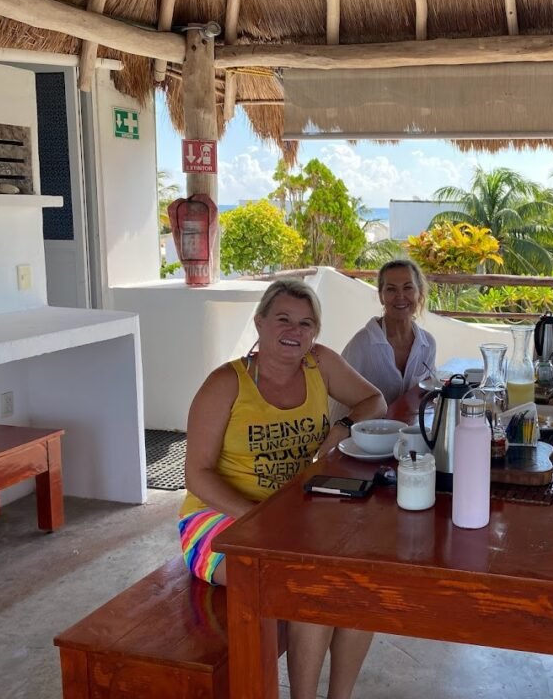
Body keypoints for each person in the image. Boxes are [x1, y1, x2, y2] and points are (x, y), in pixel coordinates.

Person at [179, 278, 387, 699]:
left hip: (291, 514)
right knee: (307, 585)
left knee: (363, 579)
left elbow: (374, 401)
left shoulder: (319, 364)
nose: (295, 331)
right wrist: (258, 517)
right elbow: (196, 475)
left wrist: (342, 426)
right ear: (259, 322)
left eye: (307, 323)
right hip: (218, 520)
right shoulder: (226, 384)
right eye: (284, 319)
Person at [341, 258, 436, 405]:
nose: (400, 296)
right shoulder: (362, 344)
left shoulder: (428, 344)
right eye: (391, 289)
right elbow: (340, 399)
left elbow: (427, 396)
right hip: (361, 427)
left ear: (419, 293)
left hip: (407, 427)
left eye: (408, 288)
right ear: (381, 296)